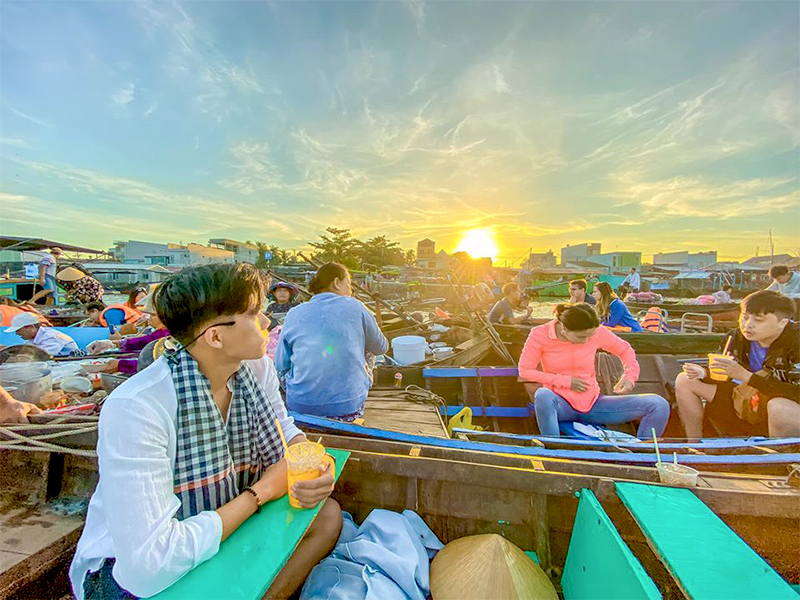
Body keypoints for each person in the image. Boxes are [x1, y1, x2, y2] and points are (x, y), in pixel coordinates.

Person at [69, 263, 342, 600]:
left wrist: (316, 465)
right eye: (255, 313)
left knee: (327, 516)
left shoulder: (256, 368)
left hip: (225, 515)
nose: (267, 321)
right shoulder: (137, 406)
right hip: (127, 574)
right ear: (215, 336)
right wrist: (260, 493)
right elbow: (147, 568)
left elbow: (284, 429)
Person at [519, 303, 670, 438]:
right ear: (564, 328)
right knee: (543, 395)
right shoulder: (539, 334)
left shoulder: (596, 332)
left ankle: (642, 454)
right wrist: (565, 381)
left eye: (590, 336)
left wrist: (630, 376)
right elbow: (525, 370)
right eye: (581, 337)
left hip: (594, 404)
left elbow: (625, 350)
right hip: (560, 406)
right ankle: (554, 449)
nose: (586, 341)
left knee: (658, 404)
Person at [674, 290, 799, 439]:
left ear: (782, 323)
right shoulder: (736, 337)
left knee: (779, 407)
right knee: (685, 380)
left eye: (758, 320)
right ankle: (694, 444)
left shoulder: (795, 342)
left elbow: (796, 392)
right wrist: (705, 373)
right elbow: (727, 375)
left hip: (782, 405)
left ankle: (783, 458)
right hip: (744, 399)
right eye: (744, 317)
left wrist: (745, 376)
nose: (748, 325)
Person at [275, 262, 388, 420]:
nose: (350, 290)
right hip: (348, 407)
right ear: (336, 283)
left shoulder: (294, 313)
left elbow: (280, 365)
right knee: (370, 349)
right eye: (348, 283)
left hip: (299, 405)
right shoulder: (356, 306)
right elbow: (381, 348)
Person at [88, 291, 171, 374]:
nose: (148, 318)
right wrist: (112, 344)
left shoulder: (171, 336)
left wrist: (120, 365)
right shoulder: (161, 332)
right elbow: (145, 341)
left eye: (152, 315)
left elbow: (157, 366)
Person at [4, 312, 79, 356]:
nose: (17, 333)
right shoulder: (33, 339)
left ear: (31, 327)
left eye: (19, 330)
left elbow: (41, 357)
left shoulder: (51, 337)